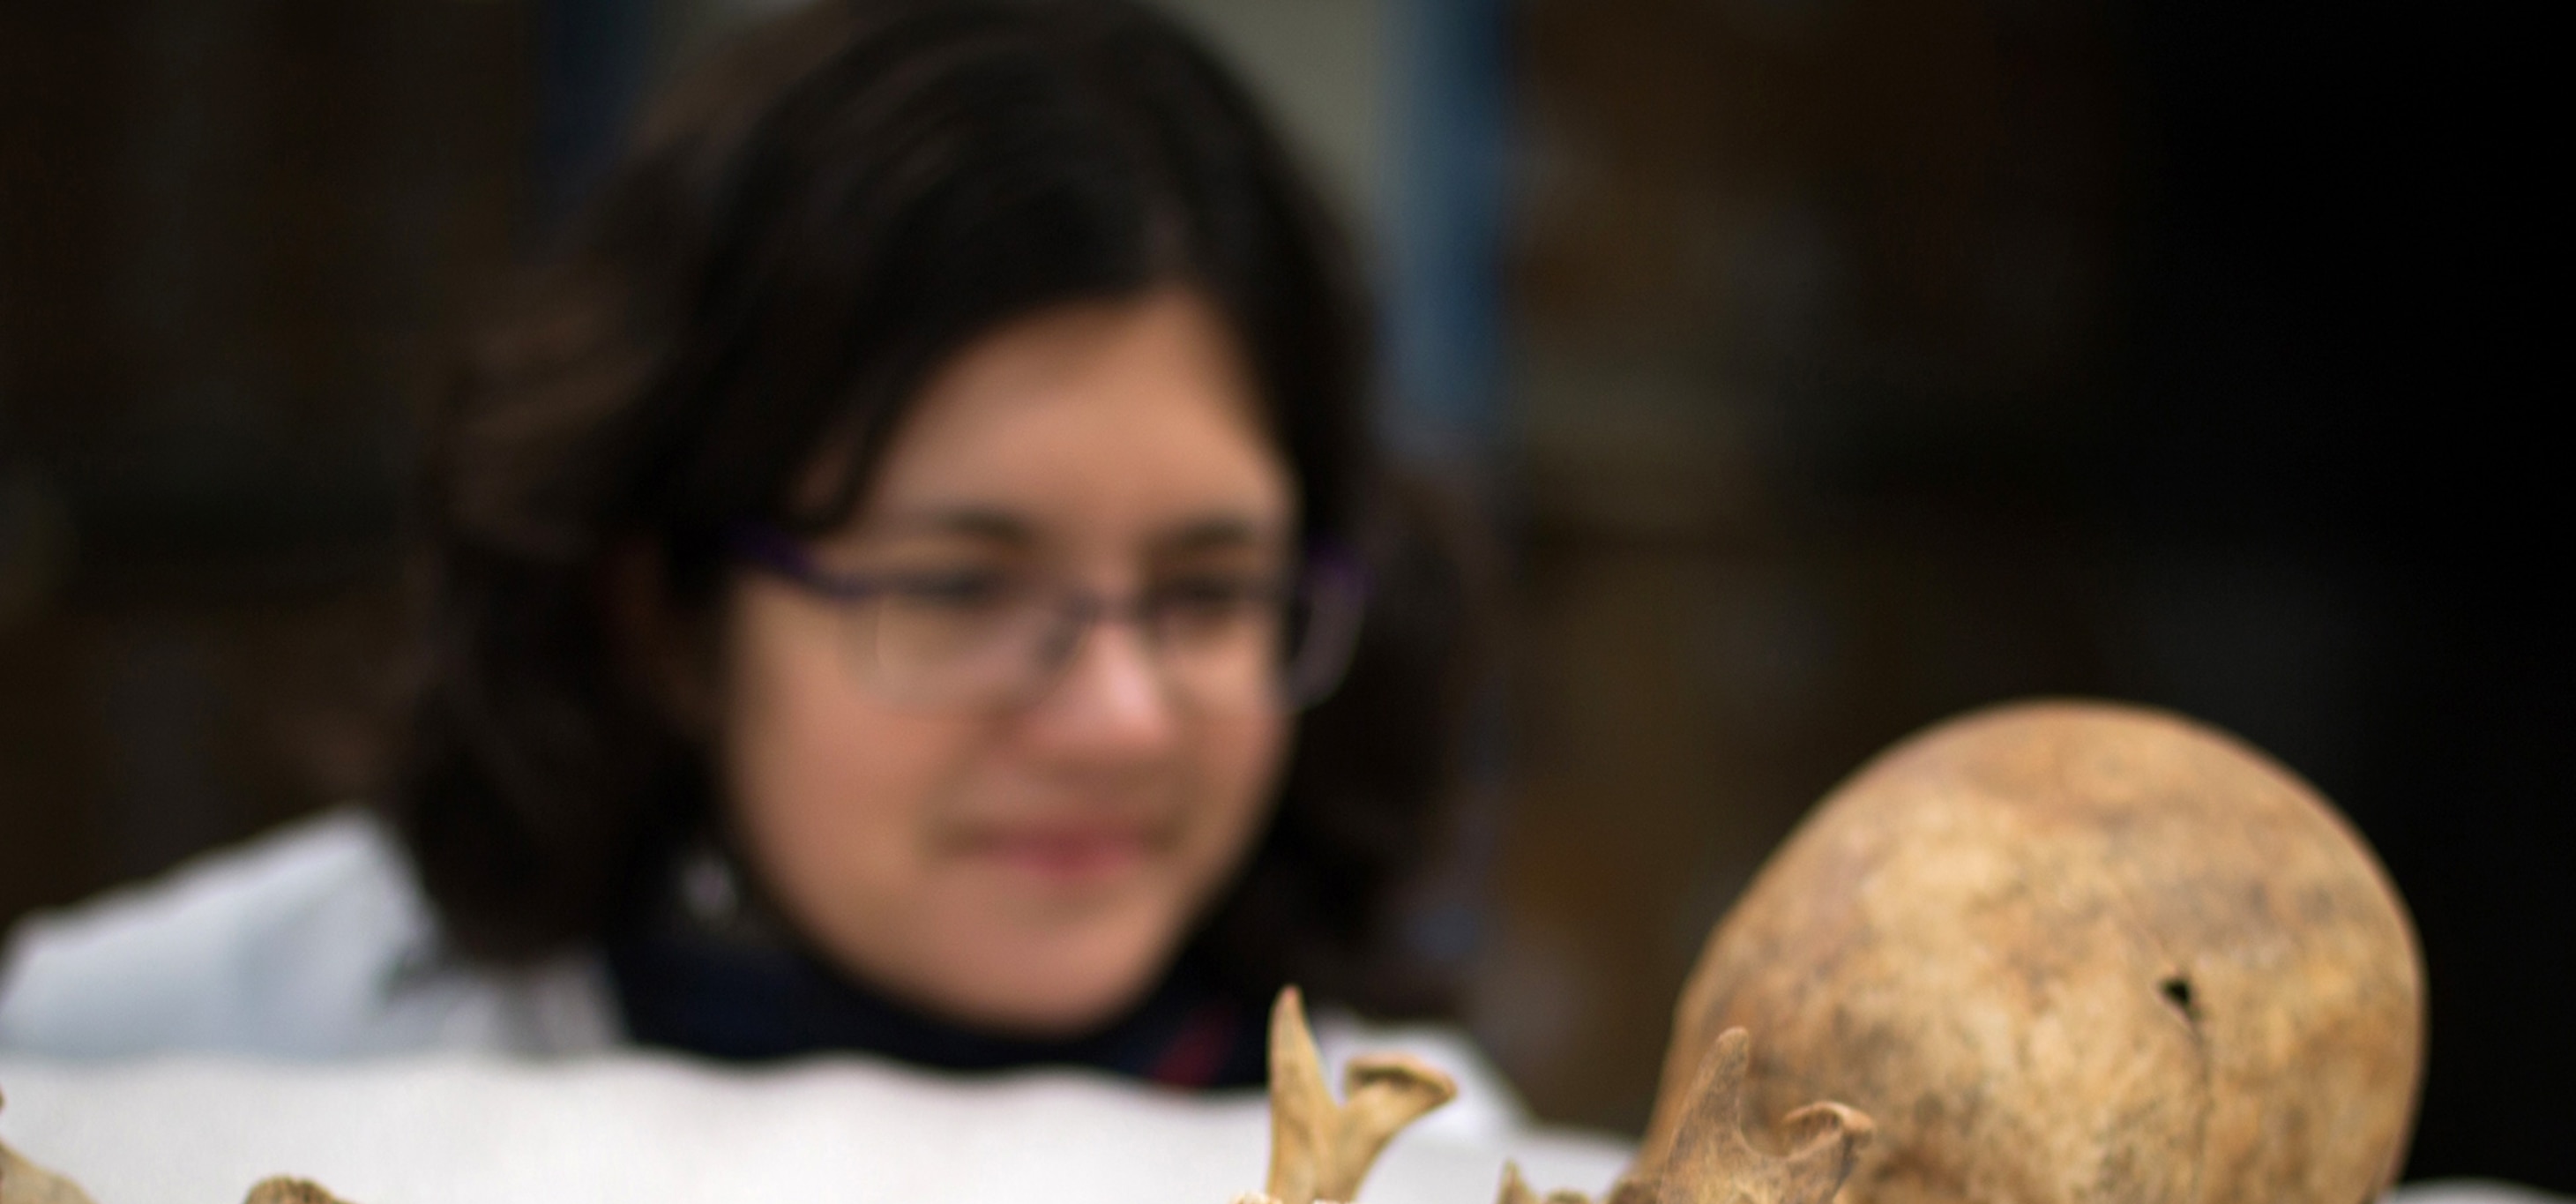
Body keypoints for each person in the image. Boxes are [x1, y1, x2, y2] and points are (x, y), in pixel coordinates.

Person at [0, 0, 1512, 1121]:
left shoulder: (1418, 1166)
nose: (1119, 718)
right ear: (668, 619)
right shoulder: (202, 1053)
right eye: (958, 587)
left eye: (1205, 594)